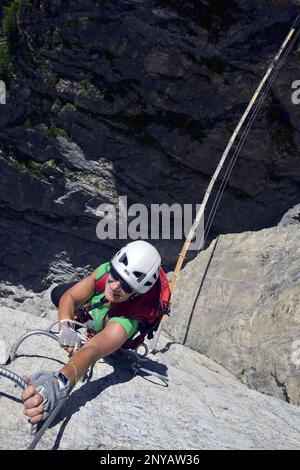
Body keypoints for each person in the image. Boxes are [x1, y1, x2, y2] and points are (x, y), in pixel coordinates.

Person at [21, 240, 162, 425]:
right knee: (57, 294)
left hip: (110, 325)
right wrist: (66, 328)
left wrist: (58, 384)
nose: (114, 286)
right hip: (98, 308)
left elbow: (92, 351)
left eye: (126, 286)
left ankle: (92, 319)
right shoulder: (106, 271)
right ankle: (88, 313)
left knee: (92, 324)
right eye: (115, 275)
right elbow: (68, 297)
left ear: (136, 293)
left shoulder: (125, 323)